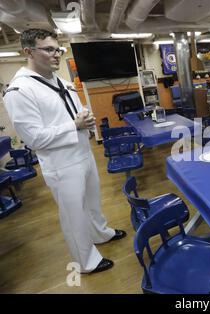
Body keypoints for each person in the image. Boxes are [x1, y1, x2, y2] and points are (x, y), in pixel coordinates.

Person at [3, 29, 125, 274]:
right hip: (61, 163)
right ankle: (86, 261)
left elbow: (76, 111)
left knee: (92, 202)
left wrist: (86, 119)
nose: (56, 55)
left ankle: (100, 234)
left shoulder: (61, 81)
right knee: (73, 215)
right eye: (48, 49)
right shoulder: (20, 91)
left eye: (57, 49)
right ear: (28, 52)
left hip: (83, 152)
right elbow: (33, 138)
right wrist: (74, 125)